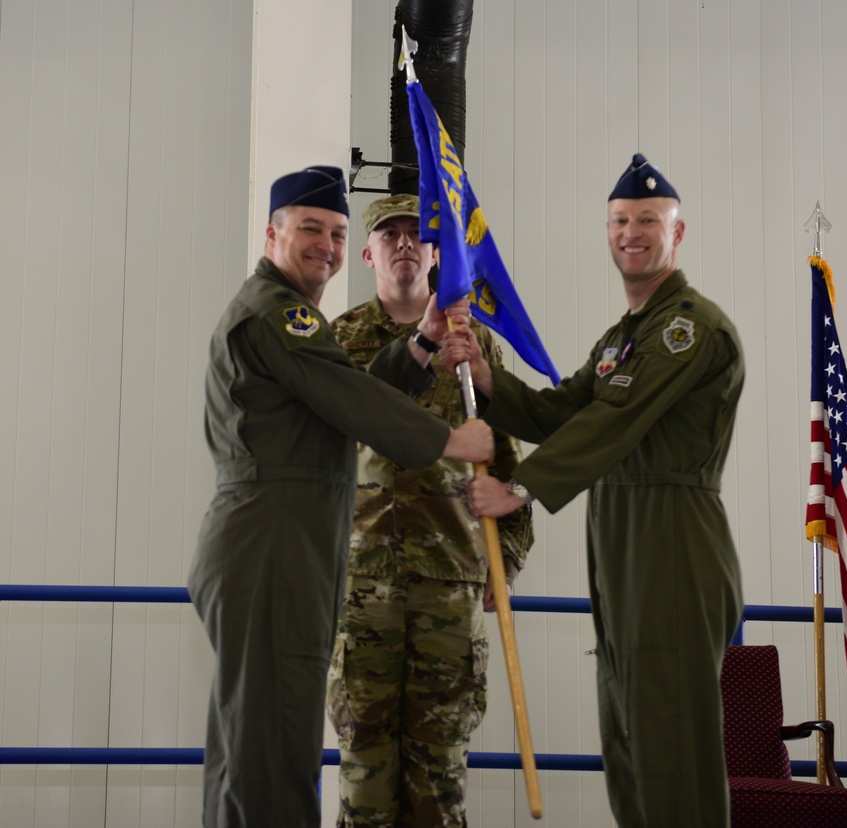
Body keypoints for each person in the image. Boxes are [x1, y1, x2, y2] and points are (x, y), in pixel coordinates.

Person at [442, 154, 745, 827]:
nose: (630, 232)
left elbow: (616, 419)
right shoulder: (622, 338)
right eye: (619, 221)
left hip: (672, 538)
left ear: (679, 232)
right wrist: (490, 381)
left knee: (671, 741)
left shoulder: (687, 326)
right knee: (629, 737)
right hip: (619, 536)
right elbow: (565, 414)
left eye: (647, 220)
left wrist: (519, 490)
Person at [187, 166, 494, 828]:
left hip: (285, 543)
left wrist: (419, 344)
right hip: (273, 544)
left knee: (255, 741)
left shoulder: (288, 316)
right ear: (272, 234)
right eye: (309, 230)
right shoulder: (278, 312)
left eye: (333, 231)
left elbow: (339, 392)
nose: (324, 245)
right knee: (270, 751)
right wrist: (453, 442)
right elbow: (352, 398)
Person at [326, 194, 534, 827]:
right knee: (364, 765)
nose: (405, 244)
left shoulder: (476, 348)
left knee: (440, 774)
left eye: (418, 233)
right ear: (367, 254)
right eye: (389, 235)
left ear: (439, 252)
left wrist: (511, 563)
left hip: (450, 580)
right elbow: (328, 449)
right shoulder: (341, 341)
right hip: (362, 585)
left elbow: (507, 462)